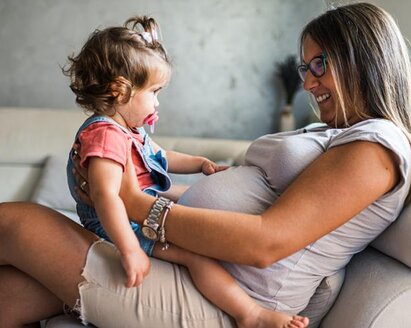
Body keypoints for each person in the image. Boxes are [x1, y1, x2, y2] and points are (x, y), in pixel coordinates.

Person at [0, 2, 410, 327]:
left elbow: (266, 242)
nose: (306, 83)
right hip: (193, 265)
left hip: (227, 296)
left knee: (15, 223)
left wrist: (134, 202)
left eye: (319, 64)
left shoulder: (376, 147)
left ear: (363, 61)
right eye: (305, 67)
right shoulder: (336, 131)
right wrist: (141, 192)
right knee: (9, 296)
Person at [63, 15, 307, 328]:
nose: (158, 102)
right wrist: (129, 249)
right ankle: (251, 315)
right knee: (195, 256)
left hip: (134, 216)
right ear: (119, 91)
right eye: (154, 91)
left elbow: (160, 156)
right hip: (122, 227)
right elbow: (107, 195)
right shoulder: (106, 135)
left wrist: (199, 163)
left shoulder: (128, 131)